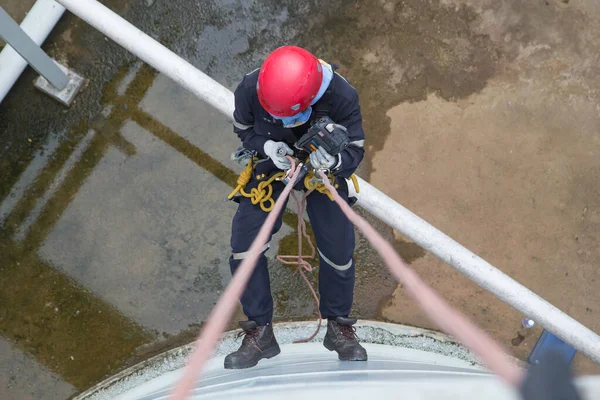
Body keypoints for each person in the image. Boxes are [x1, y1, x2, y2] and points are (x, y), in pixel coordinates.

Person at [224, 45, 367, 369]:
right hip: (276, 163)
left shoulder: (341, 94)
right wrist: (267, 146)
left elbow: (355, 148)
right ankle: (260, 332)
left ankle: (338, 326)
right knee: (245, 245)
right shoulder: (251, 88)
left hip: (322, 171)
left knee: (338, 246)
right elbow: (244, 129)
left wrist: (334, 161)